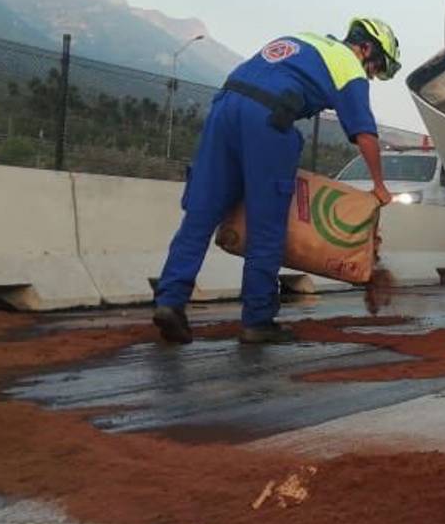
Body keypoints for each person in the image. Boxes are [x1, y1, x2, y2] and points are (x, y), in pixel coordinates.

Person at [153, 18, 401, 345]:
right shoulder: (348, 66)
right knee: (267, 223)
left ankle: (170, 302)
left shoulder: (303, 39)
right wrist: (380, 187)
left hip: (224, 107)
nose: (372, 74)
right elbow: (364, 133)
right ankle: (257, 321)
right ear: (366, 48)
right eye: (377, 67)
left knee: (201, 212)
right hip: (267, 121)